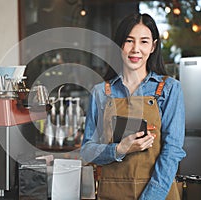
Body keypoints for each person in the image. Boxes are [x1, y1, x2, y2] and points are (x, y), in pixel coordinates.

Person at [80, 13, 186, 200]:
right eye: (129, 41)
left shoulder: (169, 89)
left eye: (144, 42)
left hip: (158, 195)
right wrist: (119, 149)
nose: (136, 49)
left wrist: (150, 197)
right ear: (119, 45)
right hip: (112, 194)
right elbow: (87, 151)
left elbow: (172, 151)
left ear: (153, 46)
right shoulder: (100, 92)